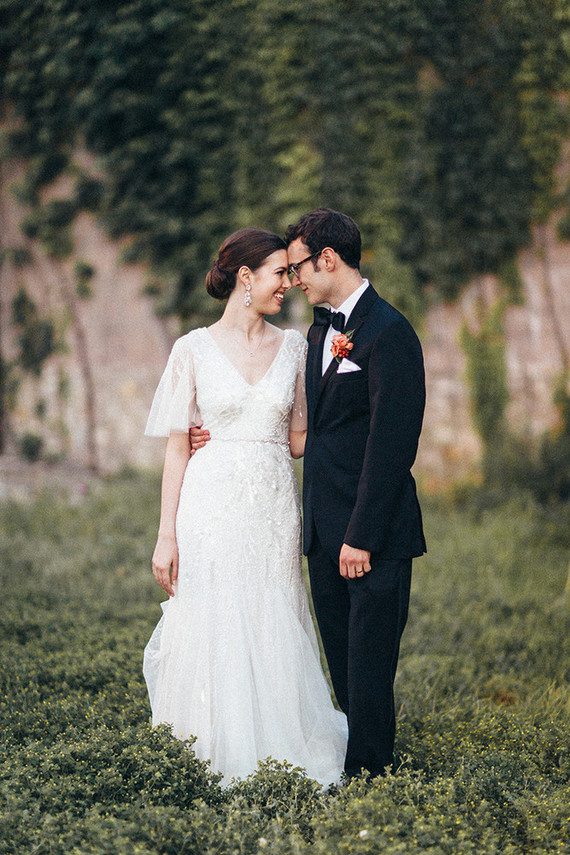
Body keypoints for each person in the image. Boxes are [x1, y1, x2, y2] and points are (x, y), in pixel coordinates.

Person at [143, 227, 347, 787]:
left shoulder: (295, 347)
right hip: (209, 505)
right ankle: (211, 744)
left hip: (273, 506)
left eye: (291, 273)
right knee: (215, 613)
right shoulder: (192, 349)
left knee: (272, 610)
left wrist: (355, 423)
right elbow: (177, 447)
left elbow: (299, 437)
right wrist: (166, 535)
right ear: (245, 276)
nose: (289, 283)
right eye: (280, 273)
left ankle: (280, 744)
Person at [285, 209, 426, 778]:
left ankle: (370, 779)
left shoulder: (390, 332)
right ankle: (357, 762)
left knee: (369, 666)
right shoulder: (320, 332)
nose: (294, 279)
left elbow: (392, 446)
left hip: (373, 534)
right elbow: (316, 433)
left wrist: (361, 536)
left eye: (297, 267)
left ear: (327, 258)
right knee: (343, 663)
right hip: (323, 531)